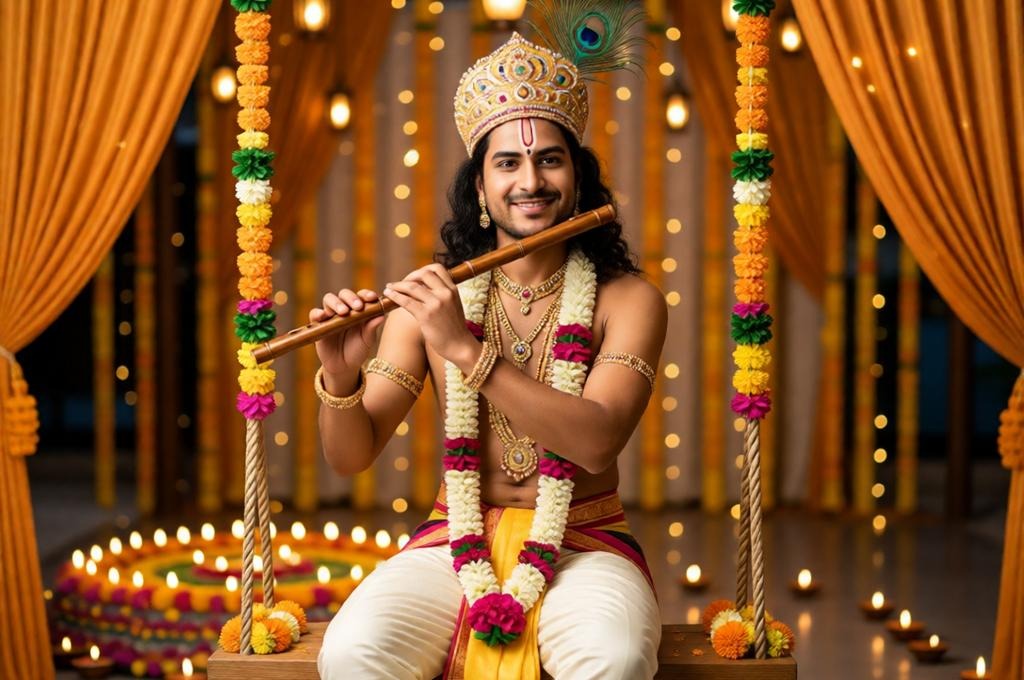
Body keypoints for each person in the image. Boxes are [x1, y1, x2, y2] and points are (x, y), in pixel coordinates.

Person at [314, 17, 666, 680]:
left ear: (577, 180)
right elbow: (350, 456)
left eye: (549, 158)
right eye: (507, 162)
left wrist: (466, 351)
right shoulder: (433, 300)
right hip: (454, 541)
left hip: (583, 544)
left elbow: (595, 442)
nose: (529, 180)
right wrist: (339, 377)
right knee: (352, 650)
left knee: (615, 659)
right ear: (481, 189)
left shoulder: (630, 300)